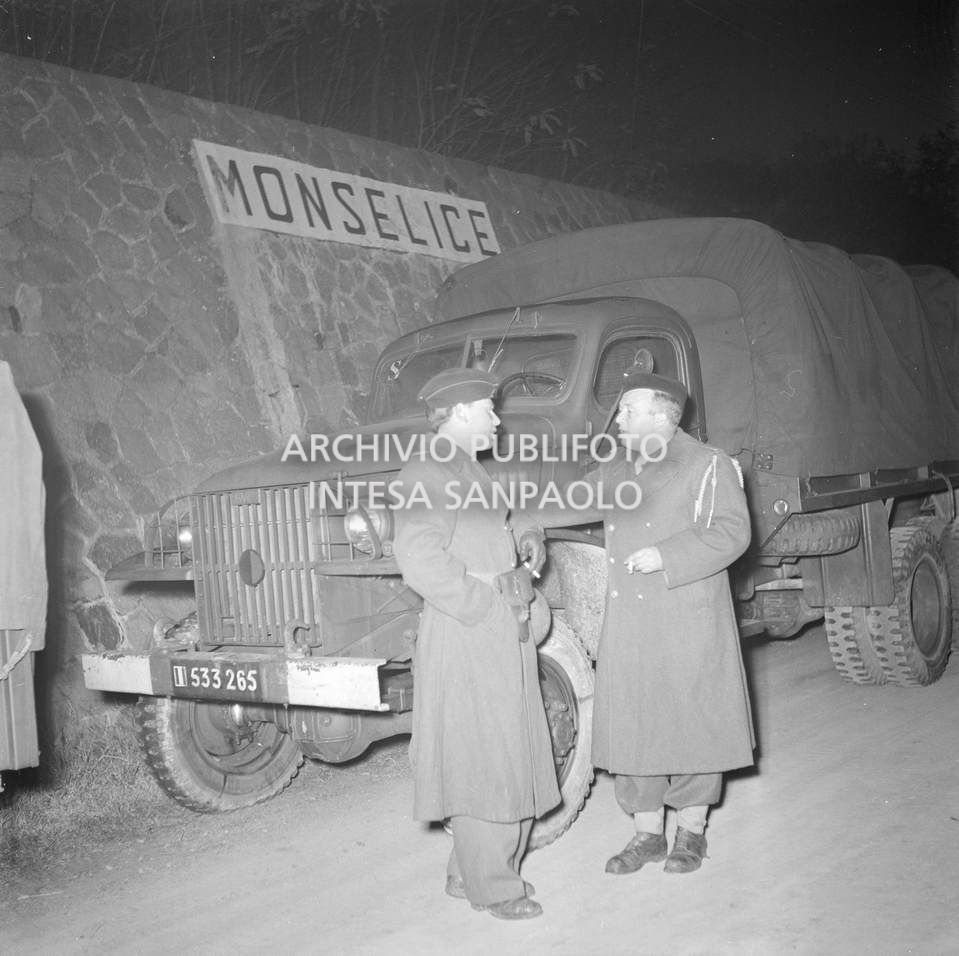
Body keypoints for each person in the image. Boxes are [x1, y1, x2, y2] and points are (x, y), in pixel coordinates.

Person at [552, 369, 755, 875]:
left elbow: (732, 532)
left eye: (628, 409)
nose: (618, 418)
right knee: (635, 724)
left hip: (687, 615)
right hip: (632, 622)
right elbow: (569, 502)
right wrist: (507, 513)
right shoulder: (617, 467)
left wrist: (667, 555)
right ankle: (647, 835)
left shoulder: (706, 464)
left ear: (662, 415)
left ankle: (691, 832)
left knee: (692, 723)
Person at [392, 367, 559, 920]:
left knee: (496, 749)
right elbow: (419, 558)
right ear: (460, 413)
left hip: (493, 625)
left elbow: (505, 518)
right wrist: (483, 607)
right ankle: (496, 888)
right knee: (487, 755)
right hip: (469, 629)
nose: (497, 419)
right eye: (488, 409)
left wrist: (529, 535)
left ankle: (468, 873)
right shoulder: (428, 470)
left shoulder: (465, 467)